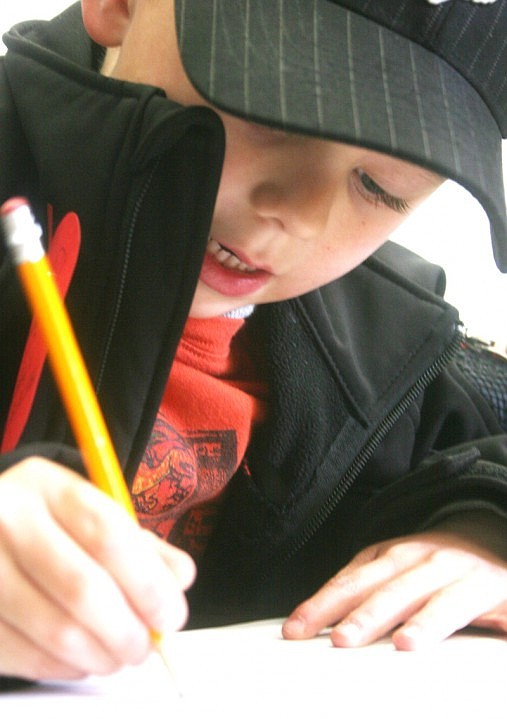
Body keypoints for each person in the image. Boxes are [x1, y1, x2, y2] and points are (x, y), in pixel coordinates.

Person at [0, 0, 506, 682]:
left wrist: (483, 533)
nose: (297, 213)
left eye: (381, 189)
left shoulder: (394, 341)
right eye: (274, 113)